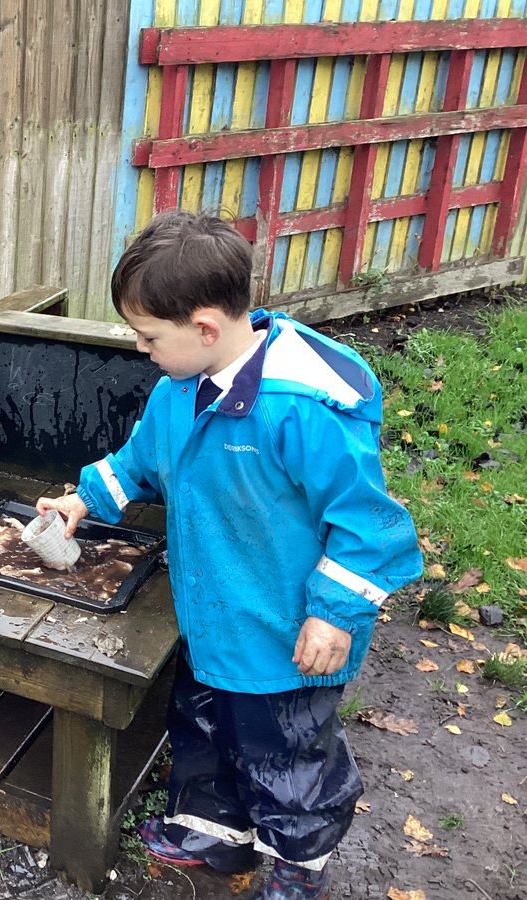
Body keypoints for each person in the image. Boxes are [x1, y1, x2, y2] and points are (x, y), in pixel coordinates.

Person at [37, 210, 422, 899]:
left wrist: (333, 615)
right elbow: (144, 460)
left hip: (283, 641)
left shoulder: (300, 412)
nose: (140, 347)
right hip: (214, 618)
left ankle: (297, 865)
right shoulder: (177, 389)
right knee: (202, 729)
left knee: (284, 759)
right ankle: (214, 830)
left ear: (206, 327)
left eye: (149, 335)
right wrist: (84, 500)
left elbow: (370, 524)